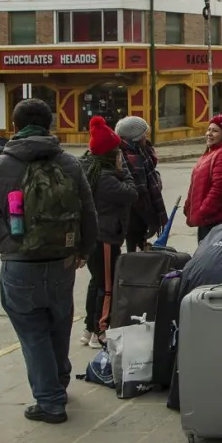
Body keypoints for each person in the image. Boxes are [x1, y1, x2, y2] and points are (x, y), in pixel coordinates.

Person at [0, 98, 98, 424]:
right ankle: (58, 382)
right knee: (58, 324)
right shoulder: (71, 164)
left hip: (19, 263)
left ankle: (50, 401)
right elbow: (89, 213)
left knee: (32, 332)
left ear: (15, 127)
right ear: (50, 124)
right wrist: (83, 250)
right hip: (63, 259)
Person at [81, 116, 138, 349]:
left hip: (96, 236)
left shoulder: (90, 171)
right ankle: (100, 329)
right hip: (105, 237)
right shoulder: (107, 179)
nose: (121, 157)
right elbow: (132, 193)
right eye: (117, 153)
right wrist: (124, 171)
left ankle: (88, 326)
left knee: (96, 282)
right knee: (106, 285)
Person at [184, 113, 222, 243]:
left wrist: (204, 211)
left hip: (216, 221)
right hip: (207, 220)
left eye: (215, 131)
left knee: (212, 260)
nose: (209, 133)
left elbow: (221, 189)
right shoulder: (211, 152)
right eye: (209, 129)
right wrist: (188, 205)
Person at [115, 116, 168, 253]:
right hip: (133, 214)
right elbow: (139, 193)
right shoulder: (127, 157)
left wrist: (156, 177)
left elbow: (151, 176)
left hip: (140, 214)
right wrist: (151, 218)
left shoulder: (141, 151)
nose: (146, 137)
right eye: (144, 134)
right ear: (134, 137)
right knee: (134, 249)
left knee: (139, 247)